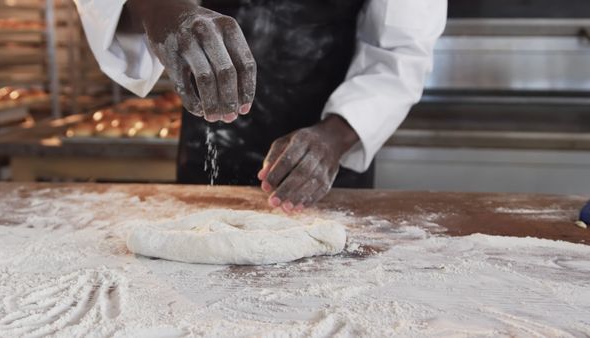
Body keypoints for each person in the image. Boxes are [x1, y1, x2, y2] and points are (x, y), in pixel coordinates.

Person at [74, 0, 446, 212]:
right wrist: (159, 8)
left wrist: (336, 137)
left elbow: (401, 51)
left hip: (328, 156)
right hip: (207, 142)